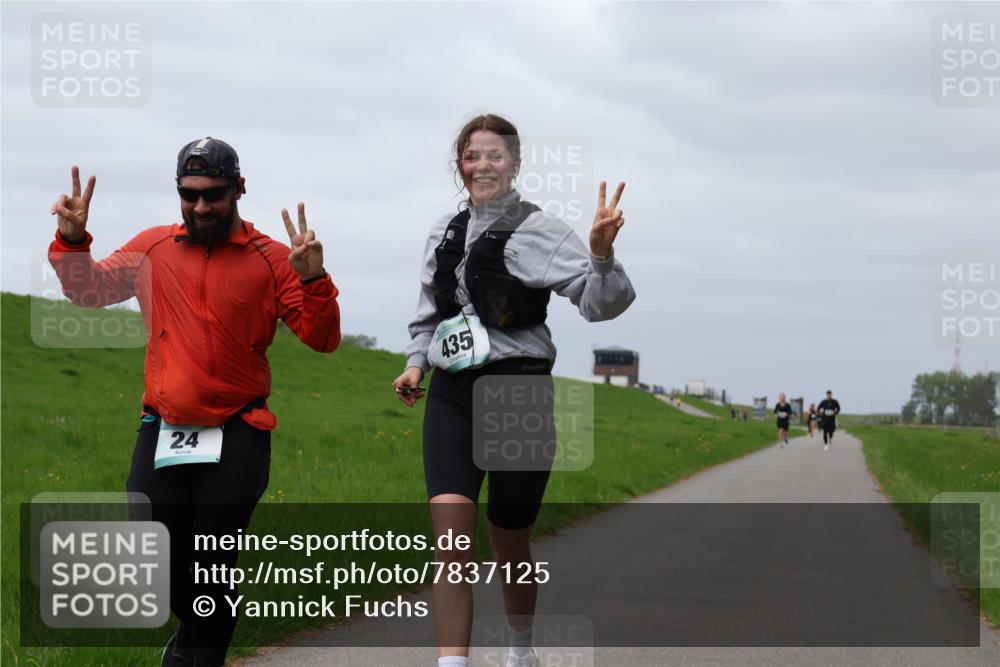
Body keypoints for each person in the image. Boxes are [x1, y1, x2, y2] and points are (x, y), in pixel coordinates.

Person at [47, 138, 341, 667]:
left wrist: (313, 279)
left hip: (240, 431)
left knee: (212, 564)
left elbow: (322, 338)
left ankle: (199, 653)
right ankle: (196, 632)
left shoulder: (273, 258)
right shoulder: (154, 247)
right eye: (190, 195)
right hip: (163, 429)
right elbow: (88, 289)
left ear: (238, 190)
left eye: (214, 195)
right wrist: (71, 241)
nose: (202, 207)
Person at [392, 114, 635, 667]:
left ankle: (520, 650)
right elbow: (430, 315)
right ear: (461, 165)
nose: (483, 166)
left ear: (515, 163)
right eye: (472, 156)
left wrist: (600, 254)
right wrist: (415, 367)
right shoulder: (443, 232)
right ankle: (453, 662)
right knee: (451, 542)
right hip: (453, 393)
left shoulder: (541, 230)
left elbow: (604, 304)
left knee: (509, 541)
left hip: (517, 392)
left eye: (495, 156)